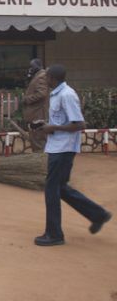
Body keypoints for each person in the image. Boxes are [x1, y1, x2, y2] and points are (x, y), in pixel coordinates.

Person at [33, 64, 112, 247]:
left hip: (63, 149)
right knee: (60, 188)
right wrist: (46, 125)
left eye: (47, 78)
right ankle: (98, 214)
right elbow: (63, 121)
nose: (45, 81)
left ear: (53, 78)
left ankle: (54, 234)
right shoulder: (58, 94)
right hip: (58, 147)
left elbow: (79, 124)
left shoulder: (67, 95)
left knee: (52, 189)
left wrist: (53, 128)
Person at [23, 58, 49, 152]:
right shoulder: (36, 76)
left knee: (39, 141)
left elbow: (42, 93)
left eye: (32, 66)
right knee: (36, 140)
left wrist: (27, 99)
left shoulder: (41, 76)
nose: (30, 68)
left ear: (38, 66)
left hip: (38, 114)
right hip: (36, 114)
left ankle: (42, 162)